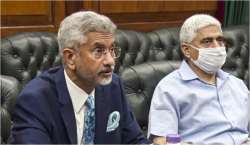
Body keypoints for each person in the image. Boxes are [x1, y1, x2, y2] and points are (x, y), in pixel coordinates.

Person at [11, 11, 149, 144]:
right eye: (98, 51)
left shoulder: (113, 86)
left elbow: (134, 140)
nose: (110, 61)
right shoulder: (36, 100)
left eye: (112, 50)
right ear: (71, 58)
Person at [148, 14, 250, 145]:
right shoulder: (169, 89)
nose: (217, 47)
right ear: (186, 50)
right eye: (207, 41)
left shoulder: (237, 84)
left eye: (220, 40)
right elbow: (161, 140)